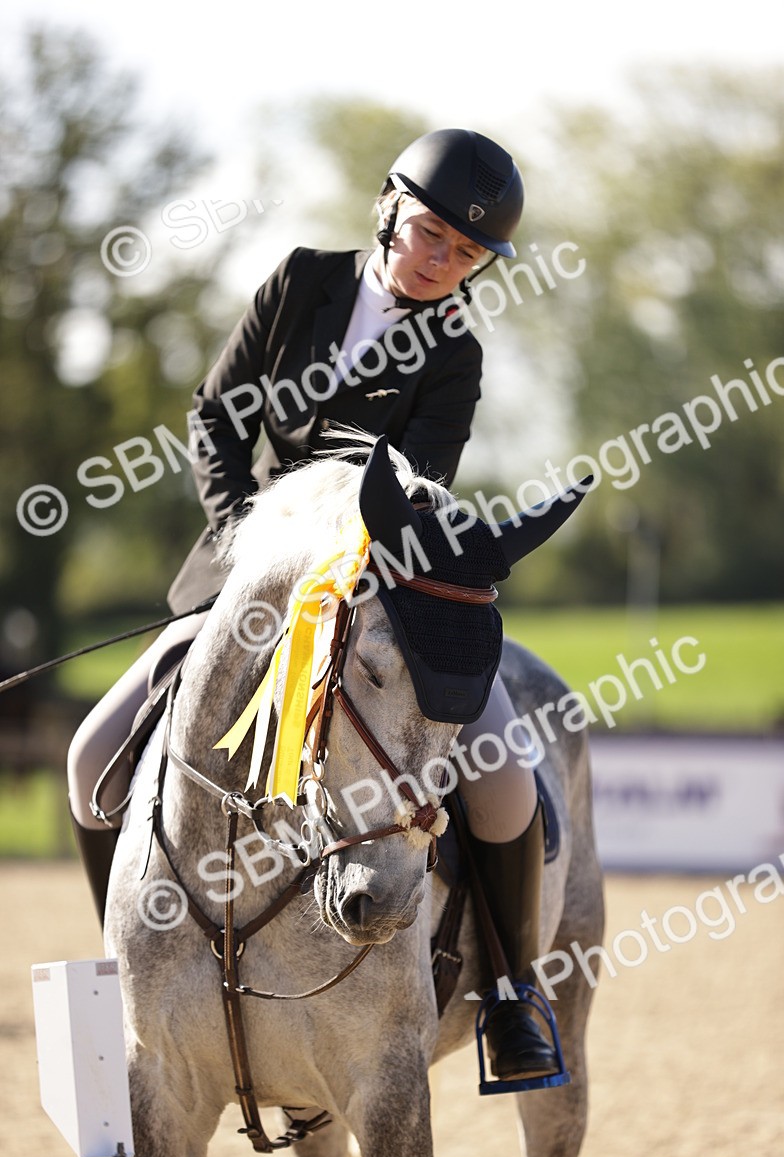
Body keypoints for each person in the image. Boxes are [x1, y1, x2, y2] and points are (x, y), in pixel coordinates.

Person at [67, 128, 559, 1082]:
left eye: (463, 254)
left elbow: (415, 487)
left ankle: (510, 998)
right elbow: (216, 416)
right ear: (389, 209)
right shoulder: (299, 282)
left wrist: (341, 567)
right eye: (428, 235)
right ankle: (120, 983)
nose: (439, 263)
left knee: (504, 790)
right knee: (93, 760)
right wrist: (244, 538)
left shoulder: (454, 352)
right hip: (243, 574)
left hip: (377, 590)